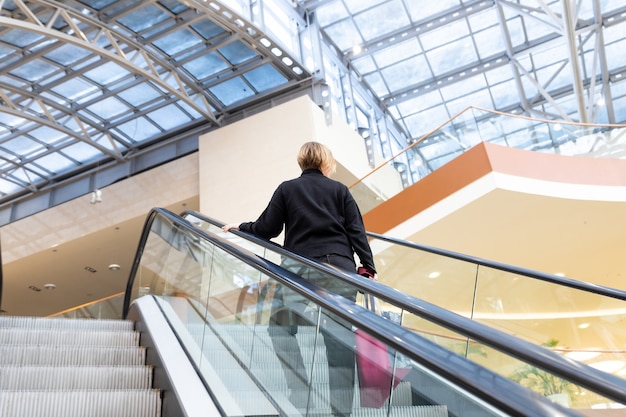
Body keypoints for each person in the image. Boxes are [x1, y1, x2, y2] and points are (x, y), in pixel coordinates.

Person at [222, 141, 376, 417]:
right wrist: (368, 267)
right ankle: (341, 412)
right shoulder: (340, 190)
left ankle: (301, 392)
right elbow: (356, 231)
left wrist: (241, 227)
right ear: (326, 163)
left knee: (279, 328)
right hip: (340, 270)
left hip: (300, 269)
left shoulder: (287, 188)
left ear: (301, 163)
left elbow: (266, 228)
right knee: (338, 338)